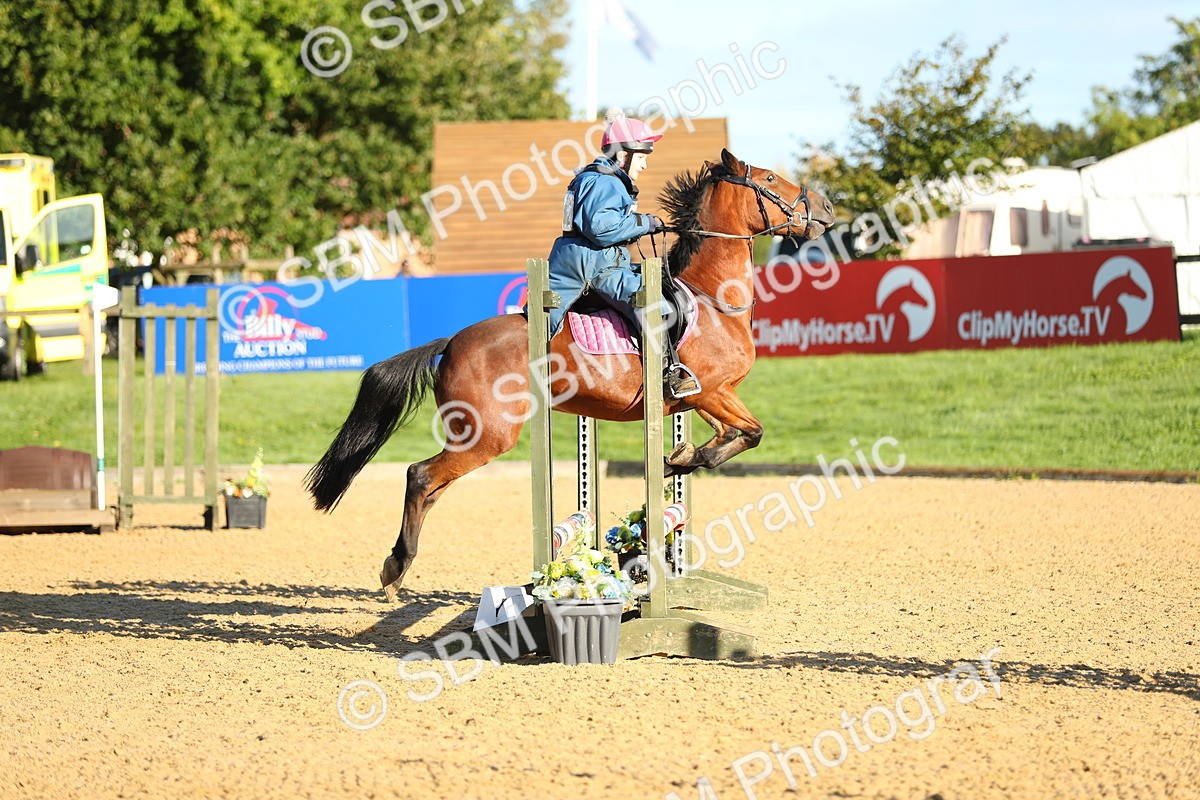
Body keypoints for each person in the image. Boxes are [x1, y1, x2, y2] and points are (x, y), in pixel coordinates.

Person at [546, 108, 701, 399]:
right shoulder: (605, 180)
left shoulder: (603, 178)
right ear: (622, 155)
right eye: (641, 158)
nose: (644, 165)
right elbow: (600, 229)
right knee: (654, 304)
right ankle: (667, 376)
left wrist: (641, 224)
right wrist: (644, 223)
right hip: (594, 265)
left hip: (590, 259)